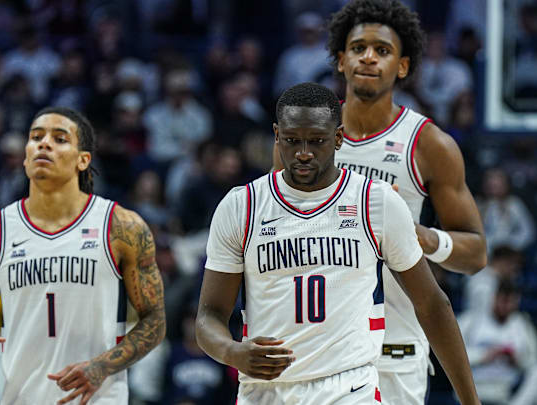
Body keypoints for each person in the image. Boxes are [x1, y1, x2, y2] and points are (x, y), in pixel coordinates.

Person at [197, 82, 480, 405]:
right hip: (265, 391)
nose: (303, 153)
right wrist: (233, 351)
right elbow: (209, 316)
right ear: (276, 135)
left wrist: (471, 401)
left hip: (348, 388)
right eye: (292, 141)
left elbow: (432, 304)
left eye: (316, 141)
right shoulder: (241, 206)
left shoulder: (375, 201)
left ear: (338, 138)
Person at [273, 2, 487, 403]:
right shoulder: (303, 138)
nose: (369, 57)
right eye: (358, 48)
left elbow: (475, 253)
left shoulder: (428, 144)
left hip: (395, 351)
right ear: (340, 60)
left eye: (382, 50)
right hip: (318, 348)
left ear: (402, 66)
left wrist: (422, 238)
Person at [0, 107, 166, 404]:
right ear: (26, 157)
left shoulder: (121, 226)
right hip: (23, 397)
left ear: (83, 160)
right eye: (36, 137)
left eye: (59, 138)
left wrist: (101, 367)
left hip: (96, 397)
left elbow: (154, 321)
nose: (44, 144)